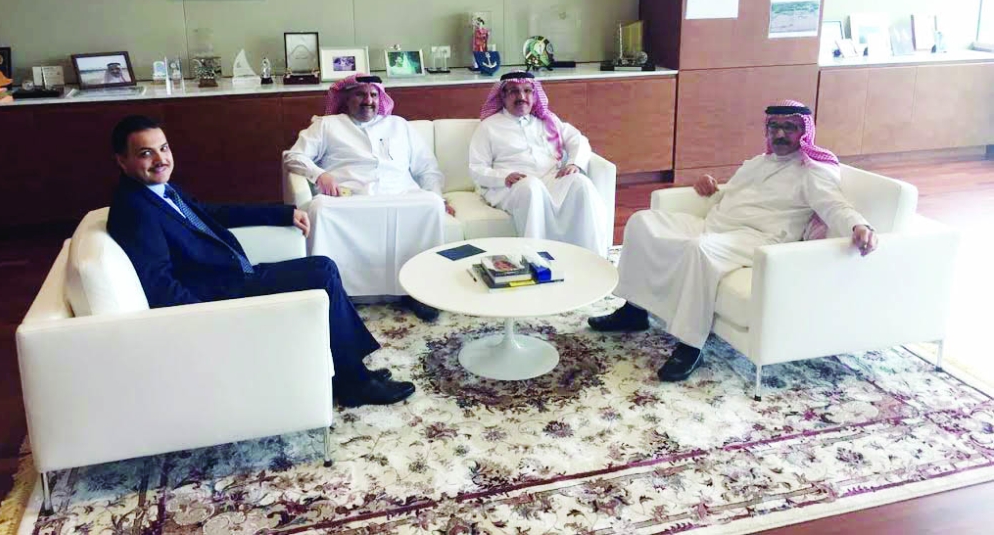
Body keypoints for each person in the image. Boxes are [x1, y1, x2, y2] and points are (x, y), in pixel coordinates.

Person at [106, 115, 415, 408]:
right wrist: (206, 321)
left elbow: (212, 214)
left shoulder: (158, 191)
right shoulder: (135, 210)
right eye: (146, 153)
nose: (160, 159)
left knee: (323, 267)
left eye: (163, 148)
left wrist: (282, 213)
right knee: (321, 273)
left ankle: (349, 370)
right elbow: (159, 283)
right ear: (122, 160)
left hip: (231, 276)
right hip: (220, 295)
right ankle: (354, 383)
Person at [589, 100, 878, 382]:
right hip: (715, 226)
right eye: (774, 127)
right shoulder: (758, 163)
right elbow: (735, 194)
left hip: (758, 239)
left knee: (700, 249)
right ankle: (634, 310)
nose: (779, 134)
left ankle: (691, 346)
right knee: (642, 222)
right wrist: (712, 188)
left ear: (804, 131)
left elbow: (834, 205)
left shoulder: (813, 172)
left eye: (789, 127)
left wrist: (858, 225)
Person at [283, 74, 455, 321]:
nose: (369, 101)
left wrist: (438, 196)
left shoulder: (399, 125)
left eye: (374, 95)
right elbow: (293, 156)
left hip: (401, 195)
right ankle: (338, 294)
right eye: (360, 94)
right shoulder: (327, 125)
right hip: (350, 197)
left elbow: (427, 168)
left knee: (431, 204)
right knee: (320, 209)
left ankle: (419, 292)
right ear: (346, 99)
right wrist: (320, 175)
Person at [468, 71, 609, 255]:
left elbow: (577, 139)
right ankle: (536, 258)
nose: (521, 97)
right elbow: (477, 167)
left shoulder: (547, 120)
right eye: (514, 91)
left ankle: (590, 256)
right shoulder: (488, 126)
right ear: (503, 96)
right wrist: (504, 177)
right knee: (531, 187)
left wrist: (573, 164)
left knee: (580, 183)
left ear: (535, 95)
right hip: (511, 186)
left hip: (550, 179)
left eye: (527, 91)